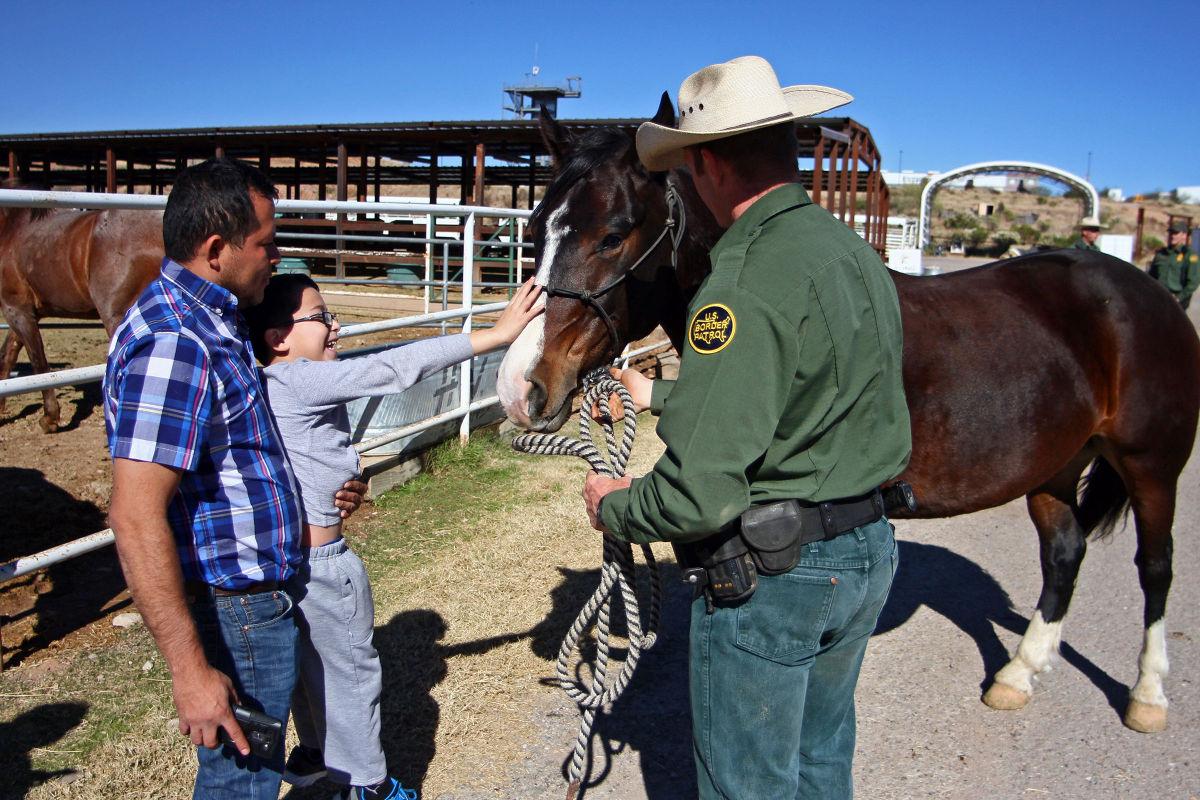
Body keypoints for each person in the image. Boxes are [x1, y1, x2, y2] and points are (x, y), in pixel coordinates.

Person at [582, 56, 912, 799]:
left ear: (705, 164)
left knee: (747, 784)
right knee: (821, 760)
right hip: (864, 549)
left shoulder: (741, 281)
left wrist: (616, 505)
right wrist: (660, 393)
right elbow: (817, 390)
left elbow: (697, 493)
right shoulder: (851, 255)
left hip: (778, 575)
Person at [104, 157, 366, 799]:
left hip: (257, 594)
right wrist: (191, 670)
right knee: (240, 780)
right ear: (217, 249)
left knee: (254, 767)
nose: (275, 257)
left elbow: (240, 451)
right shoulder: (177, 343)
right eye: (266, 243)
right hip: (238, 607)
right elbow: (135, 514)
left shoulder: (213, 318)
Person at [244, 274, 543, 800]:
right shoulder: (296, 379)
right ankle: (368, 785)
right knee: (353, 678)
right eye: (321, 317)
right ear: (279, 339)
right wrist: (495, 336)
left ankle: (317, 759)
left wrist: (343, 479)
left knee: (313, 675)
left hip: (290, 564)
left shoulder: (264, 384)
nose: (336, 325)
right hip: (325, 564)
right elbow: (393, 367)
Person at [1149, 219, 1198, 307]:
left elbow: (1193, 282)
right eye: (1171, 233)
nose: (1172, 236)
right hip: (1158, 297)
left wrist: (1179, 297)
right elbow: (1151, 276)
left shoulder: (1189, 255)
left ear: (1184, 235)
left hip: (1177, 302)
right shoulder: (1161, 253)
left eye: (1176, 233)